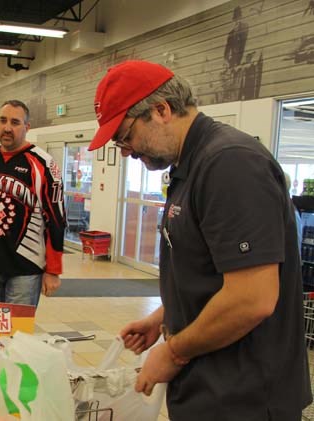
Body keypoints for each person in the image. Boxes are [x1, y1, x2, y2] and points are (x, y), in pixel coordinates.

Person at [87, 60, 311, 420]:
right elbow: (211, 274)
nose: (125, 150)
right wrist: (165, 315)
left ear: (161, 110)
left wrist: (173, 351)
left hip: (244, 396)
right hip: (209, 386)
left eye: (125, 136)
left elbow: (251, 298)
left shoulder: (230, 164)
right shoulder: (188, 166)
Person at [0, 100, 66, 306]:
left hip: (25, 266)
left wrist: (53, 270)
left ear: (27, 127)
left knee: (17, 332)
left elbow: (56, 218)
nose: (7, 128)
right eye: (3, 121)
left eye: (15, 122)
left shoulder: (43, 163)